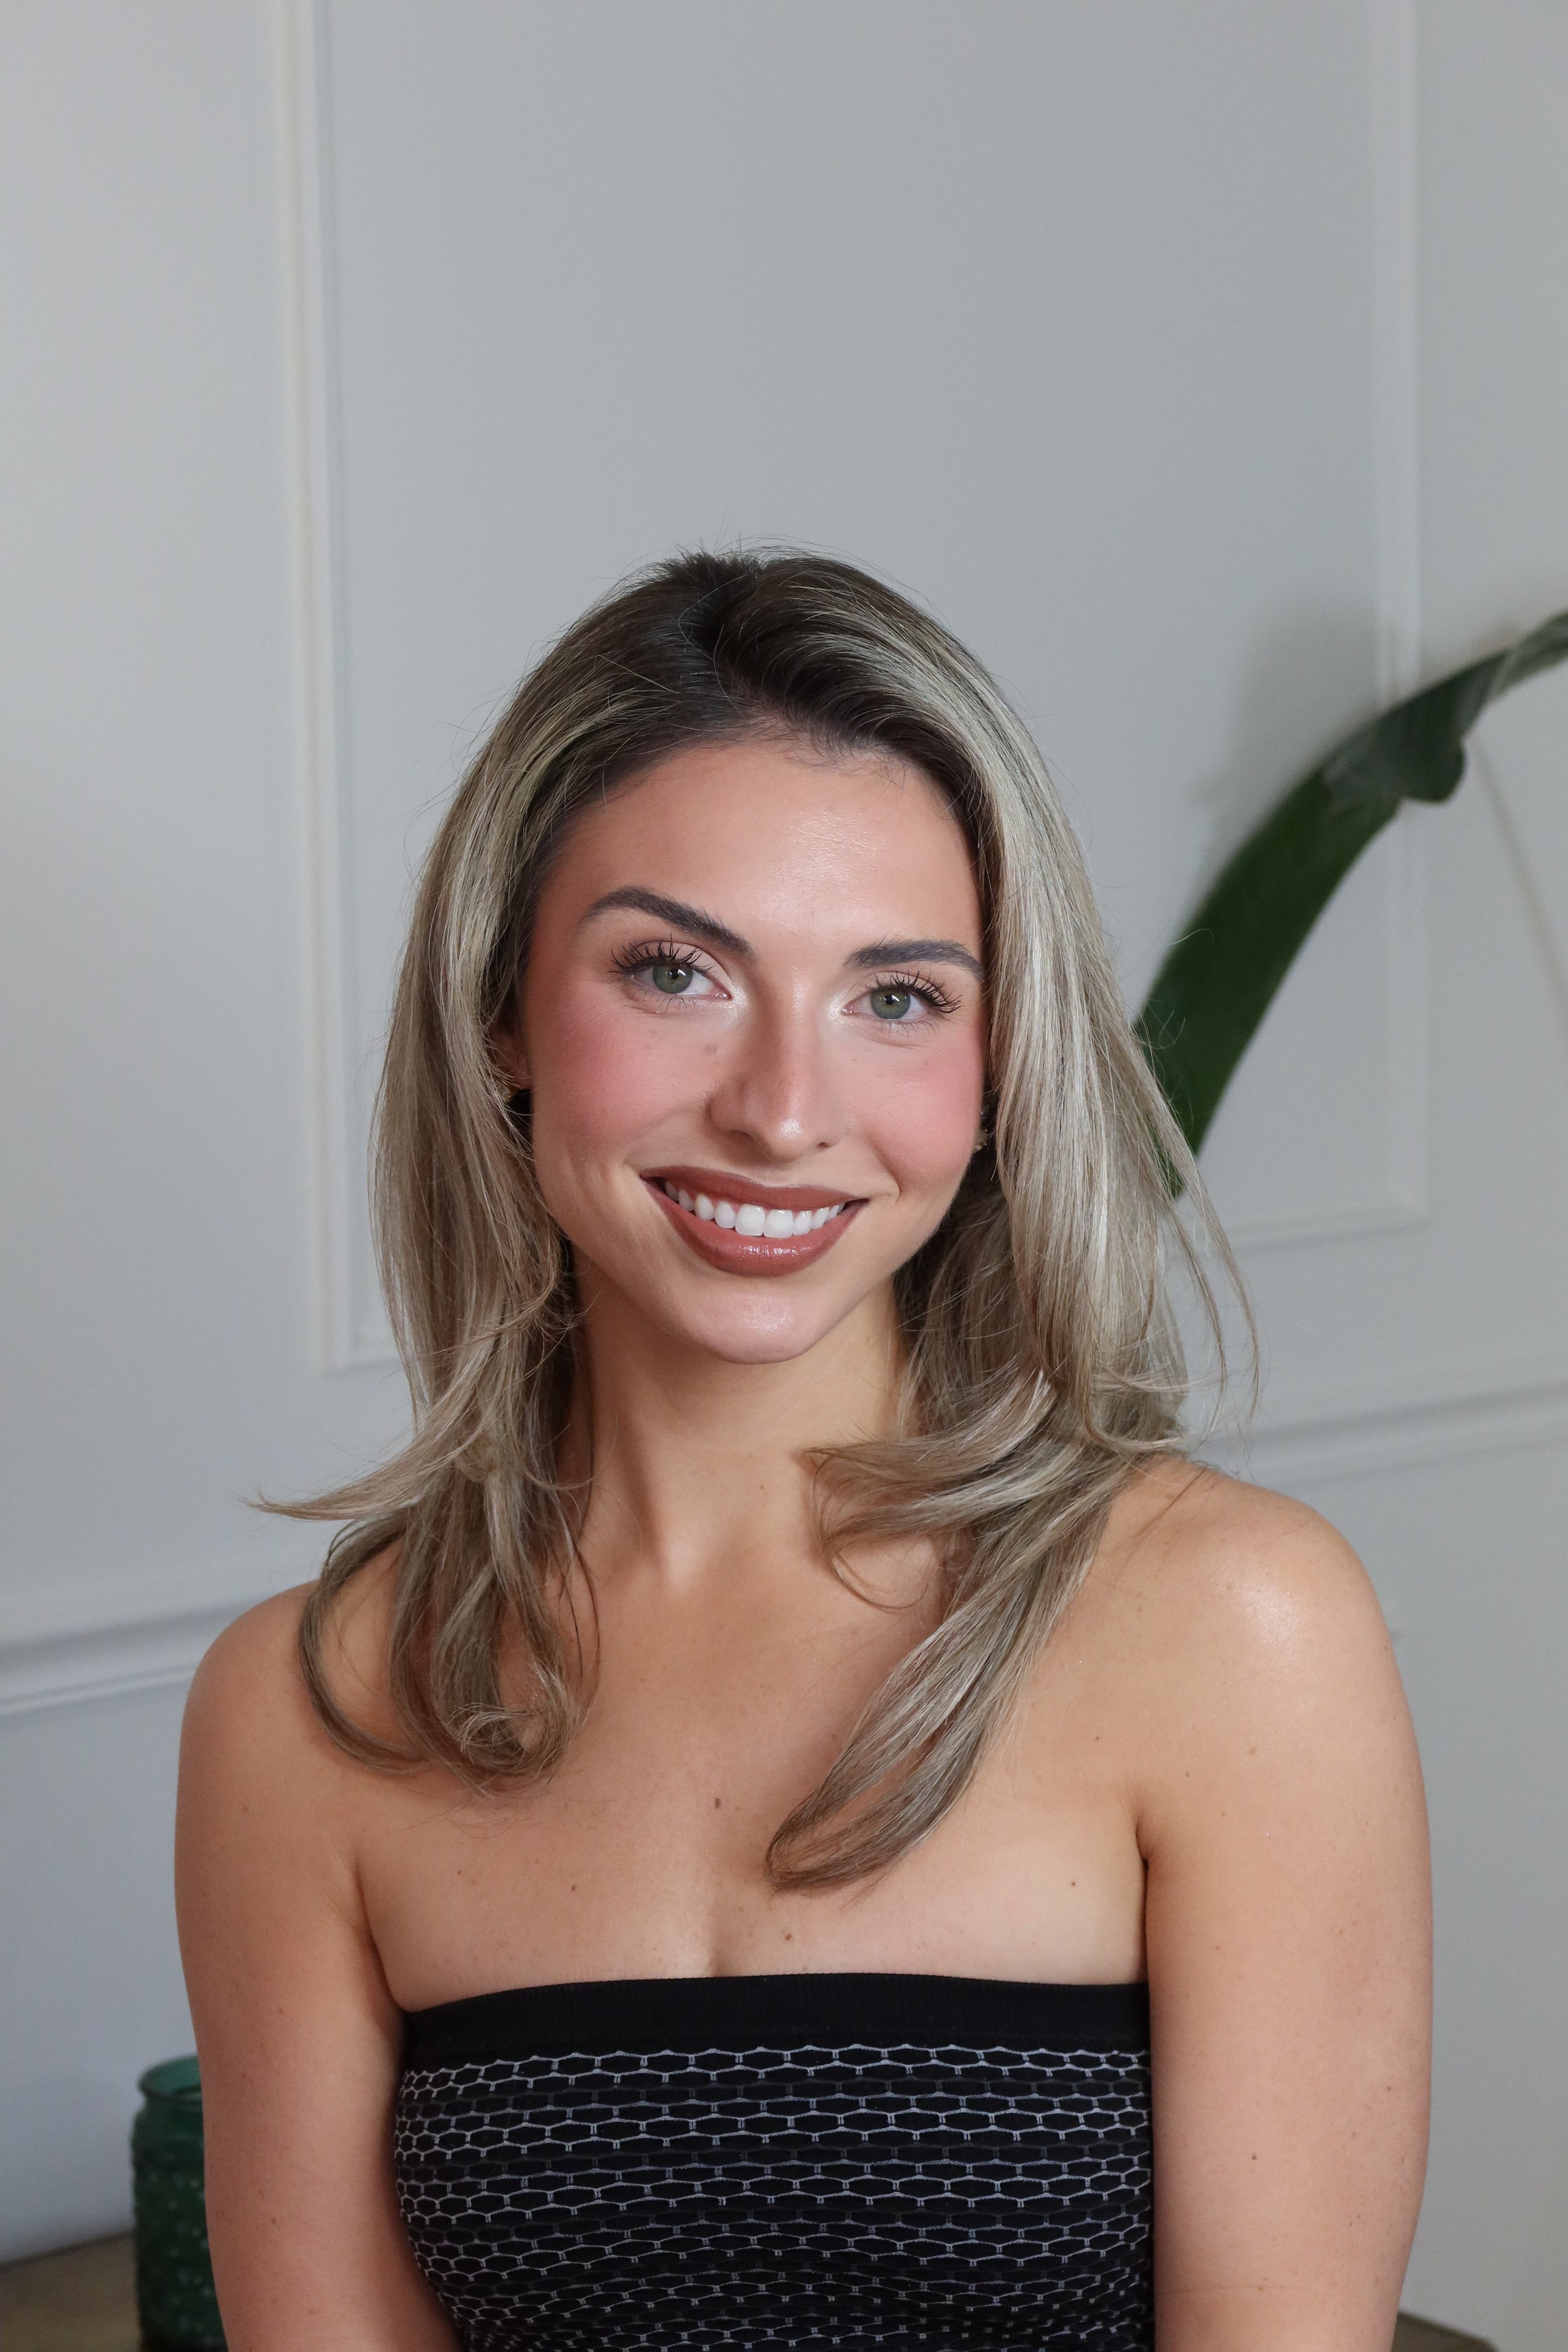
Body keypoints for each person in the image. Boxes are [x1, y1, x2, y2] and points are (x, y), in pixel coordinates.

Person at [176, 549, 1430, 2351]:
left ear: (1000, 1068)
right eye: (675, 971)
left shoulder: (1229, 1625)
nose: (780, 1111)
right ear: (504, 1014)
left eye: (896, 997)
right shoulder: (303, 1716)